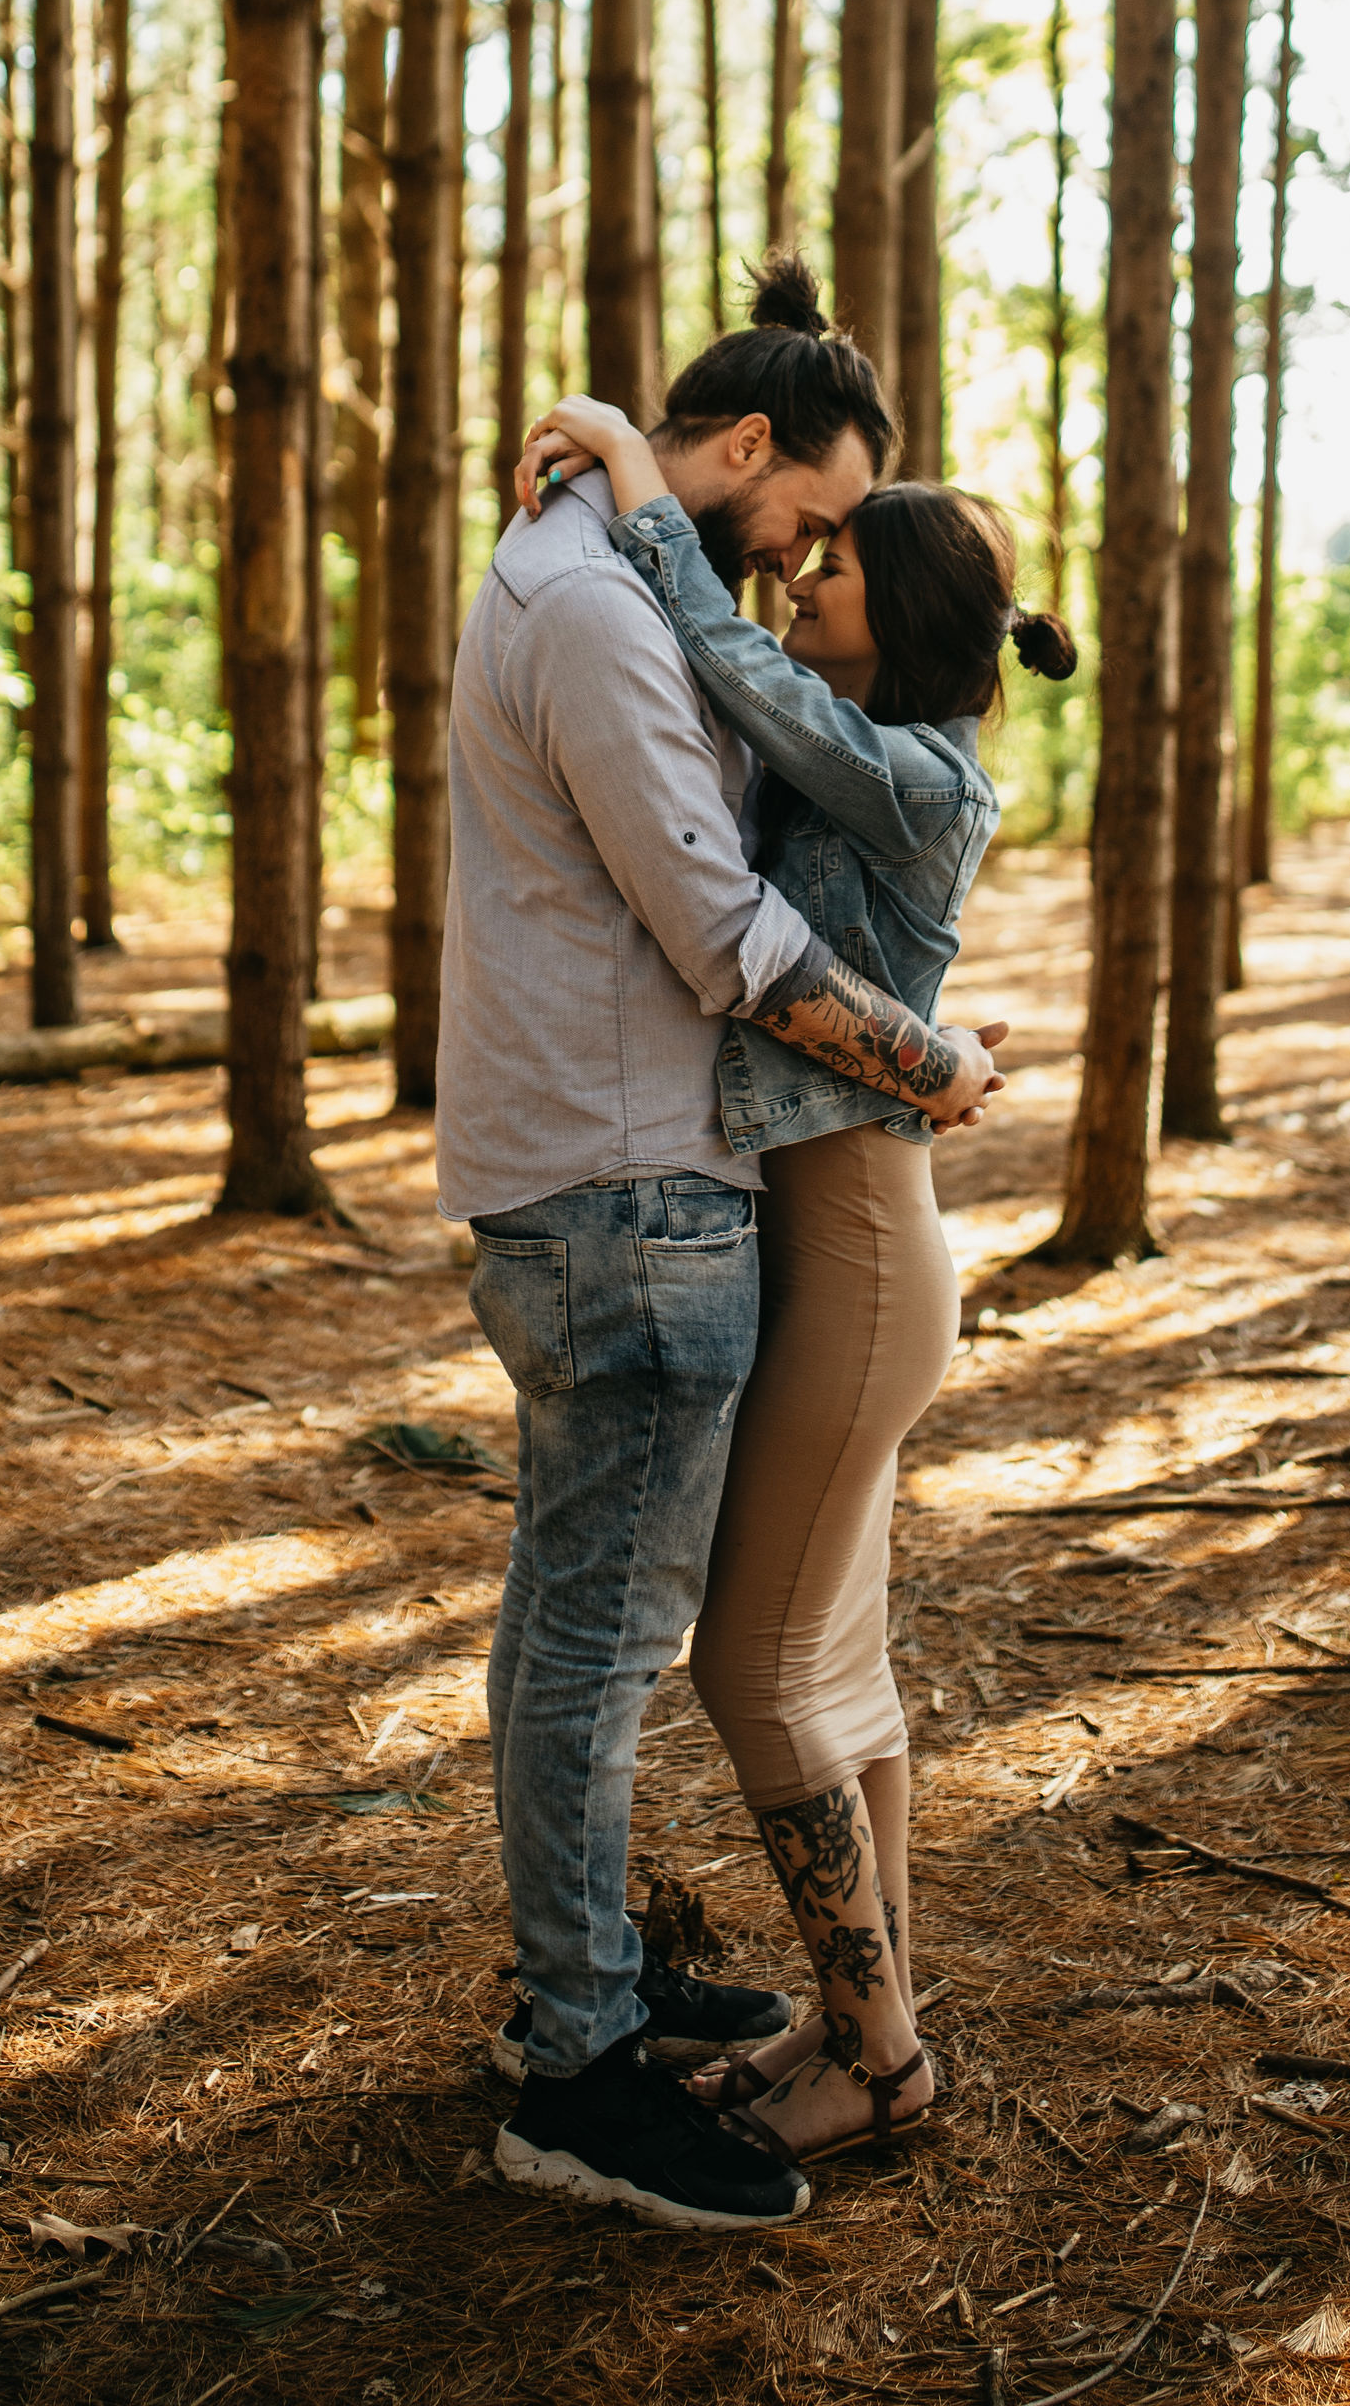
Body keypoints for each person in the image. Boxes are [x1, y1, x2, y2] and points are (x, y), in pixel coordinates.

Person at [439, 259, 1008, 2236]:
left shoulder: (866, 735)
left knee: (733, 1661)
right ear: (752, 452)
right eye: (814, 520)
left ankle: (839, 2044)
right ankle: (743, 2032)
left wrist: (927, 1063)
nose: (802, 568)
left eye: (838, 558)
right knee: (712, 1651)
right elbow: (720, 903)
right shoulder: (596, 598)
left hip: (793, 1224)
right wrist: (615, 470)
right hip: (653, 1194)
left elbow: (747, 848)